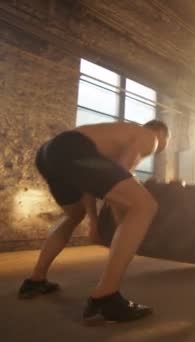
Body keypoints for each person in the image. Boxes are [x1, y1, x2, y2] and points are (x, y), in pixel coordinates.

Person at [18, 120, 170, 323]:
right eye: (167, 141)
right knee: (145, 206)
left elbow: (90, 186)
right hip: (72, 148)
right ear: (162, 133)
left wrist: (93, 222)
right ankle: (106, 296)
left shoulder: (110, 140)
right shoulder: (149, 136)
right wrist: (122, 222)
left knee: (73, 215)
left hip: (50, 154)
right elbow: (122, 171)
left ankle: (35, 280)